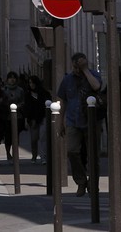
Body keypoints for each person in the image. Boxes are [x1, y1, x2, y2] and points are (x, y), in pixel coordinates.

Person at [56, 52, 103, 195]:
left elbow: (96, 87)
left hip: (91, 121)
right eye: (76, 66)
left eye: (80, 65)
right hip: (72, 120)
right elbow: (63, 100)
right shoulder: (67, 79)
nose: (77, 69)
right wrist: (60, 121)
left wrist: (85, 70)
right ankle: (81, 181)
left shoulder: (93, 75)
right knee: (72, 151)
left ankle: (93, 183)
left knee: (93, 154)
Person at [24, 75, 51, 161]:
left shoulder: (43, 93)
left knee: (43, 138)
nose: (31, 84)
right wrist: (27, 120)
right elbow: (27, 107)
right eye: (30, 83)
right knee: (34, 139)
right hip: (32, 119)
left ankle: (44, 157)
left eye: (32, 82)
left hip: (43, 117)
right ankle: (34, 155)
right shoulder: (28, 94)